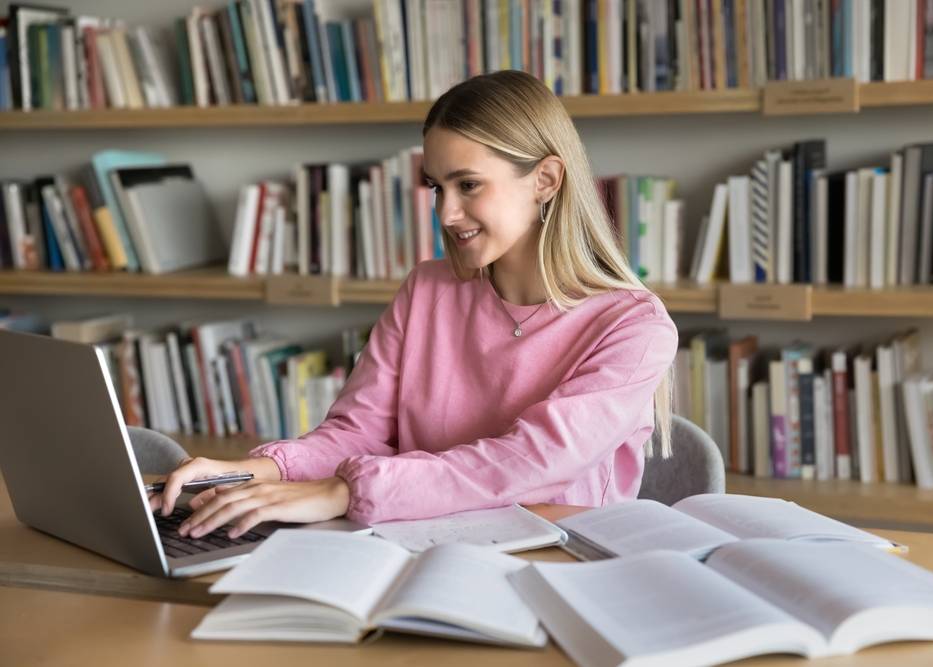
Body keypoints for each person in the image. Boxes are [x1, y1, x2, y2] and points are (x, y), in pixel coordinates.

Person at [151, 70, 678, 540]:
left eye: (468, 185)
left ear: (545, 180)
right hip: (416, 548)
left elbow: (530, 462)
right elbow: (359, 433)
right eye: (436, 187)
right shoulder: (427, 288)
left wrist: (344, 491)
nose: (447, 213)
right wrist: (253, 472)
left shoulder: (634, 326)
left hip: (562, 564)